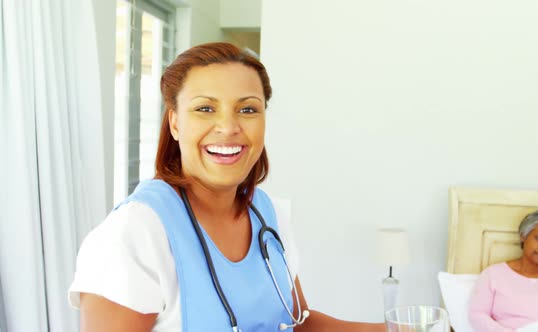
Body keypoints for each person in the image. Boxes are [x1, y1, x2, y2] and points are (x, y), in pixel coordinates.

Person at [68, 42, 386, 332]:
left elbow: (298, 325)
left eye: (247, 109)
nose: (228, 127)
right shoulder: (134, 234)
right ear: (175, 122)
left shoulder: (268, 215)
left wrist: (399, 330)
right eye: (205, 108)